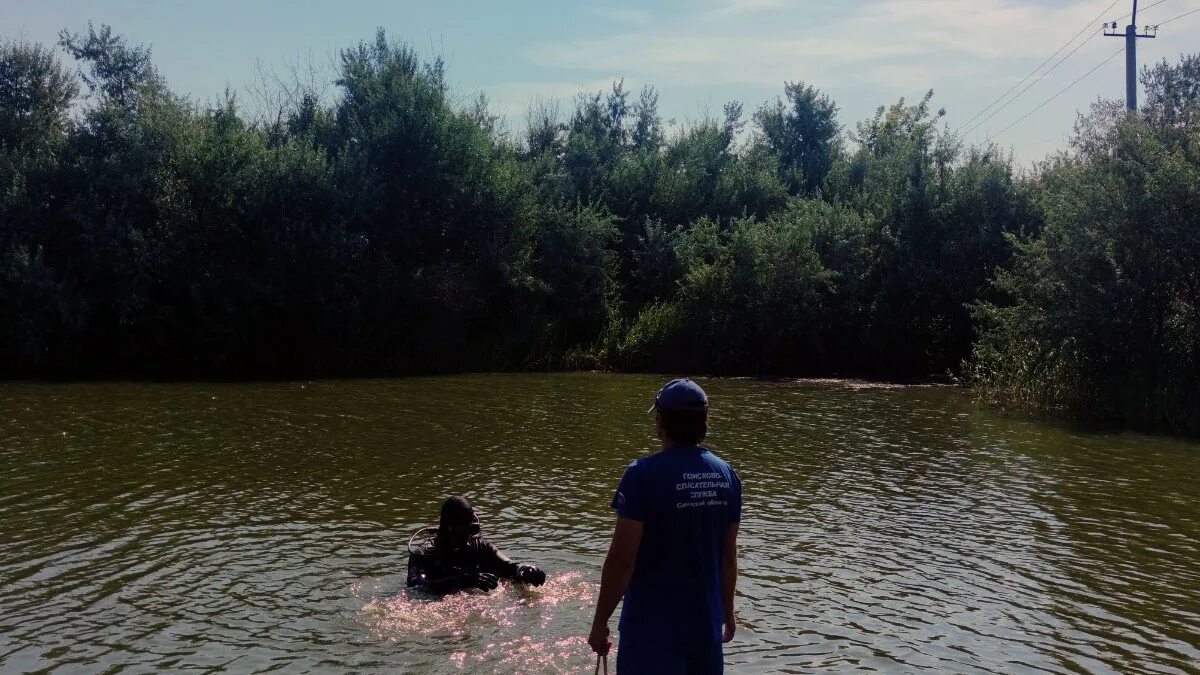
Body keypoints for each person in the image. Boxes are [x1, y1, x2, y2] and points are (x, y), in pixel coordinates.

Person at [588, 378, 742, 675]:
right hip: (705, 632)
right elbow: (728, 556)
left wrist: (599, 623)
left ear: (661, 423)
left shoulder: (641, 476)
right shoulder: (727, 477)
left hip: (651, 637)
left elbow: (621, 561)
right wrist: (728, 612)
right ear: (705, 421)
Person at [407, 495, 546, 594]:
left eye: (472, 530)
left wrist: (524, 570)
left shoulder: (481, 548)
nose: (469, 537)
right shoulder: (424, 554)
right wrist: (461, 581)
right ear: (450, 528)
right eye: (464, 531)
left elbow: (509, 567)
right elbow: (416, 588)